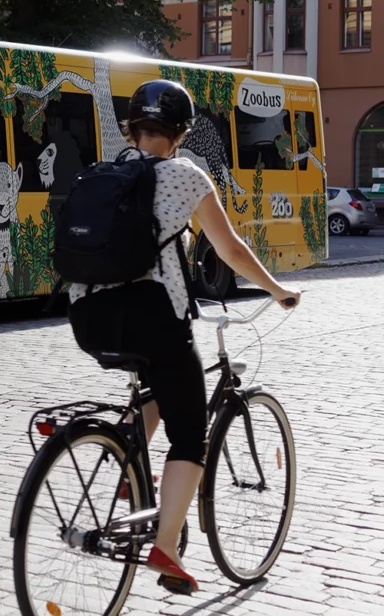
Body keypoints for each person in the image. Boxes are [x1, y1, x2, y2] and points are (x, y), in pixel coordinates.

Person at [65, 79, 301, 594]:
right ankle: (165, 547)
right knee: (190, 432)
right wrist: (279, 290)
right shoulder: (185, 175)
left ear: (132, 129)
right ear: (182, 132)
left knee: (158, 383)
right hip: (152, 315)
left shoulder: (106, 170)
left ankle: (131, 462)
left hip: (87, 316)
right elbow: (232, 251)